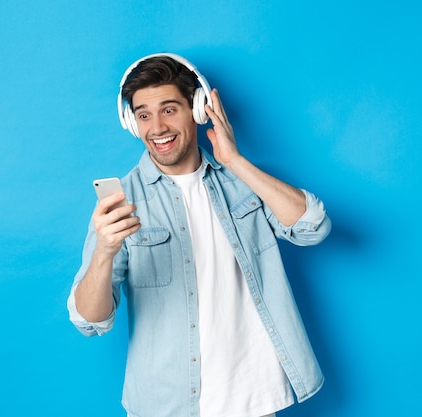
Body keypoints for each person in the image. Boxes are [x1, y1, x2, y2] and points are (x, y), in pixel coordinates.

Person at [67, 53, 331, 417]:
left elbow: (313, 227)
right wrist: (104, 252)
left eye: (169, 109)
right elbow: (90, 322)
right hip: (166, 405)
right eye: (143, 114)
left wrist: (235, 160)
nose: (156, 127)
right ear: (131, 121)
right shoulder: (120, 204)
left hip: (253, 400)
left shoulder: (242, 184)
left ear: (197, 108)